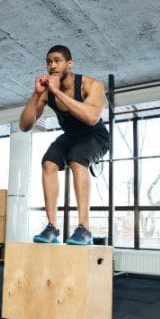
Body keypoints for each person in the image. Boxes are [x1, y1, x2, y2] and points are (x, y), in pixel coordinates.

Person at [19, 45, 110, 245]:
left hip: (95, 135)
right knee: (48, 162)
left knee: (77, 160)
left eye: (57, 61)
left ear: (69, 63)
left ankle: (84, 228)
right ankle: (52, 226)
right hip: (70, 135)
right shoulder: (46, 92)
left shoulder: (91, 84)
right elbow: (25, 126)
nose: (52, 65)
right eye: (49, 61)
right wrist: (36, 95)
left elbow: (92, 118)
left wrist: (57, 92)